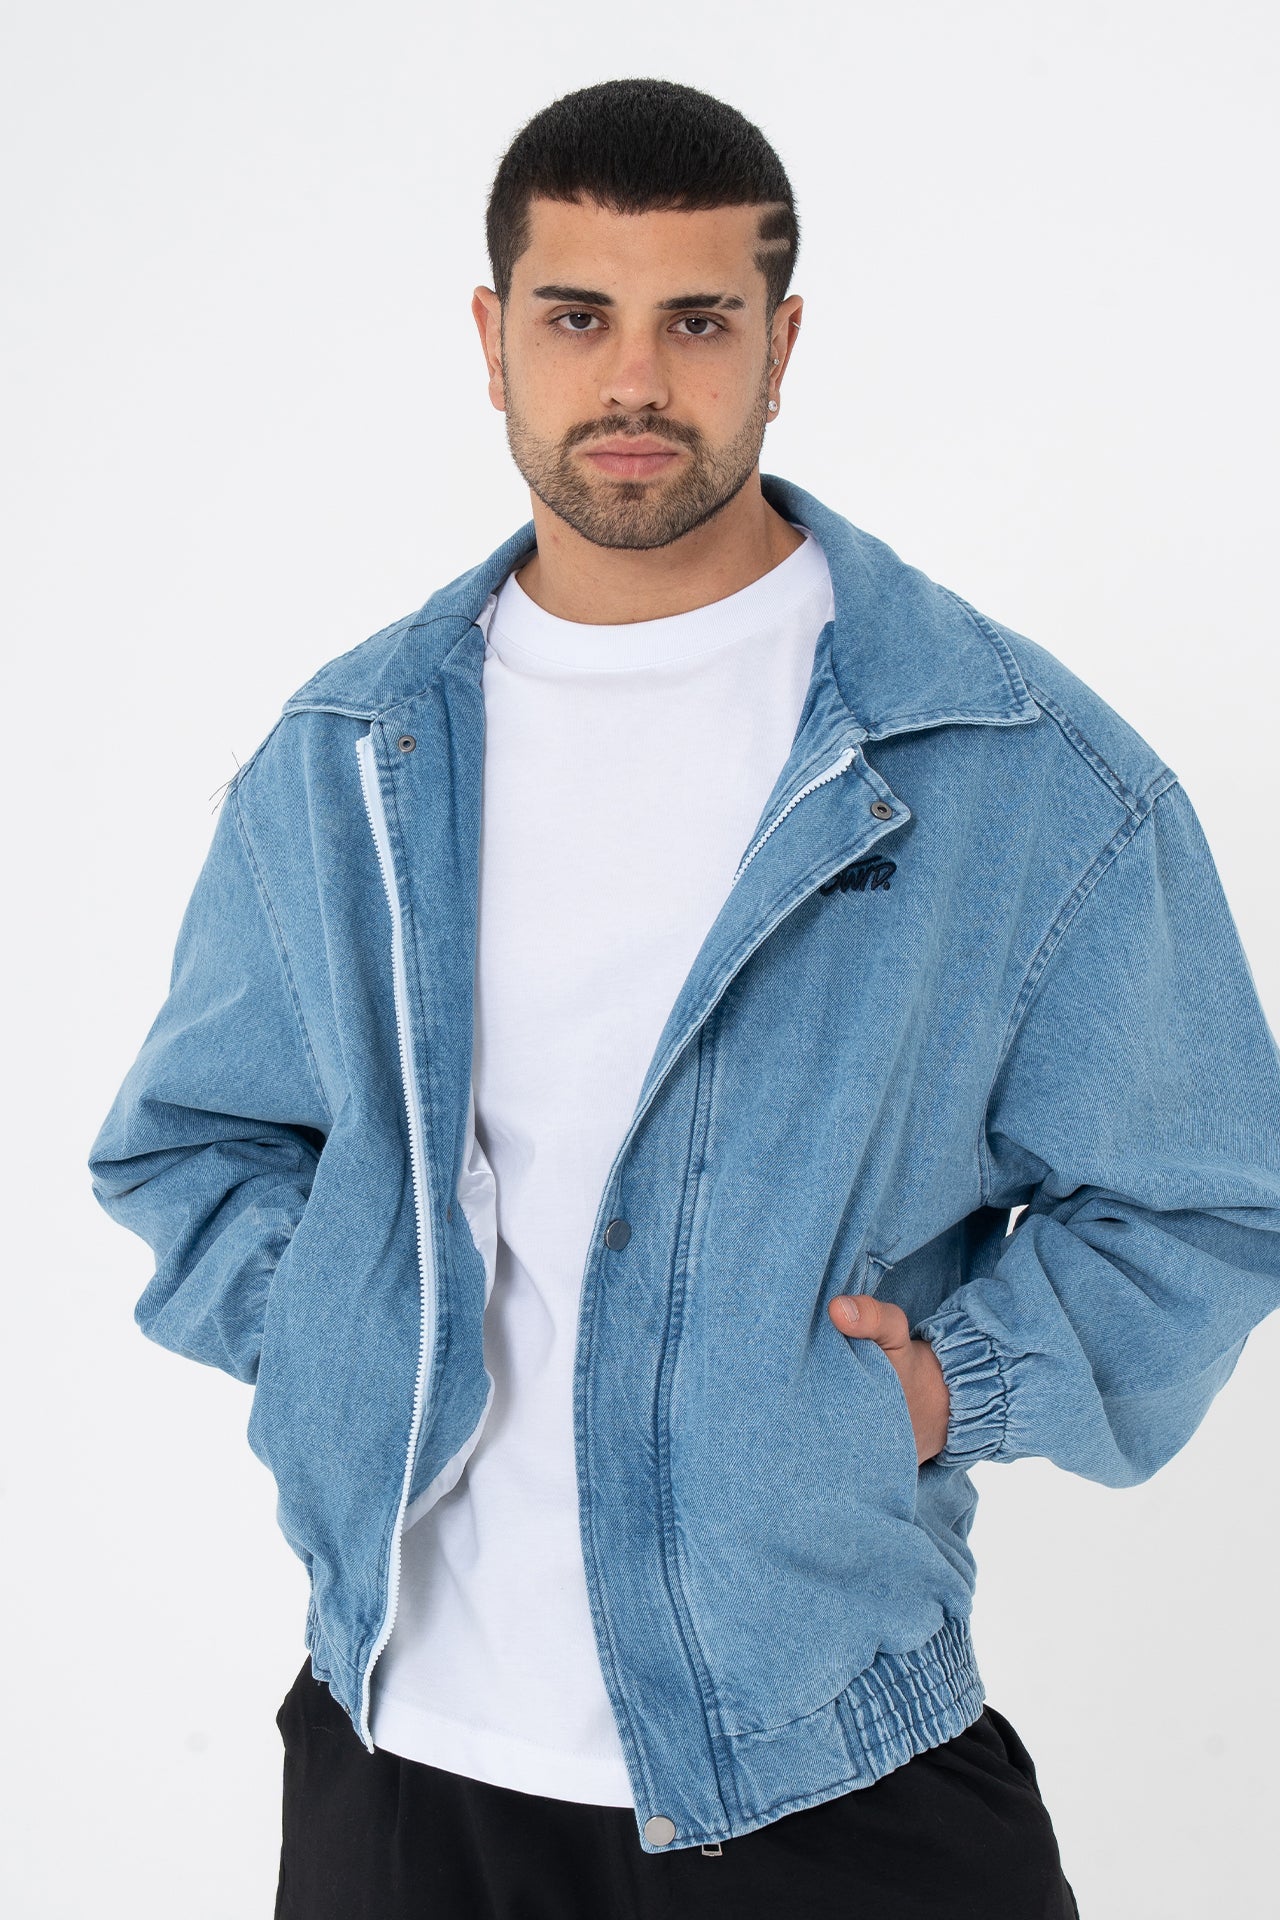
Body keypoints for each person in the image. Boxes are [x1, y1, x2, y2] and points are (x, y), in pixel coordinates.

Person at [87, 77, 1280, 1920]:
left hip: (829, 1772)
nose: (633, 381)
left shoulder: (1016, 766)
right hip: (400, 1772)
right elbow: (192, 1149)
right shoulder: (347, 757)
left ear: (781, 346)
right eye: (578, 316)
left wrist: (947, 1390)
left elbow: (1206, 1197)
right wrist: (342, 1329)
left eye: (698, 321)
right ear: (492, 337)